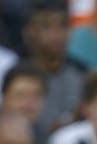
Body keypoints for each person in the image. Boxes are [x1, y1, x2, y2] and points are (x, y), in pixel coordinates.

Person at [21, 0, 84, 132]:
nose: (56, 33)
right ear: (29, 31)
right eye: (46, 26)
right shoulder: (16, 74)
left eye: (62, 25)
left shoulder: (81, 74)